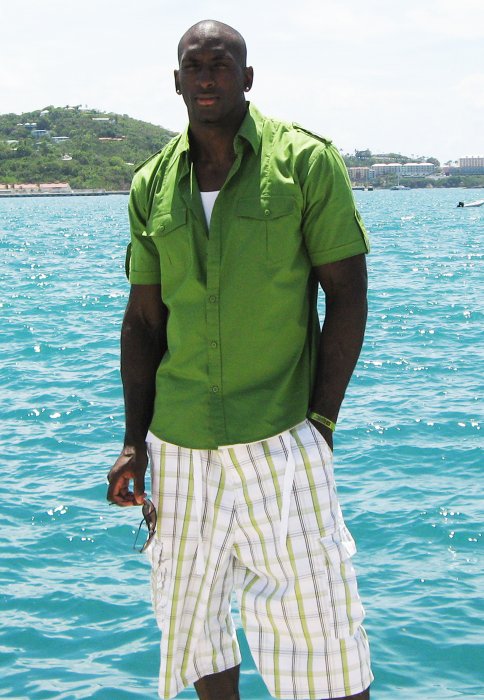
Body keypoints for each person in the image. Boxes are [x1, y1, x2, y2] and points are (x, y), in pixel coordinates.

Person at [107, 19, 373, 700]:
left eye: (220, 64)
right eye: (193, 66)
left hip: (281, 435)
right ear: (176, 81)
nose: (206, 77)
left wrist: (321, 421)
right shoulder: (151, 184)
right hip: (178, 447)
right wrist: (134, 444)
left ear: (246, 77)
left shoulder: (304, 163)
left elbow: (347, 295)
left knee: (325, 635)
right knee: (192, 627)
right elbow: (144, 322)